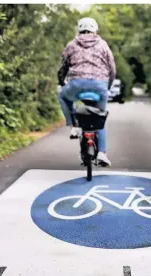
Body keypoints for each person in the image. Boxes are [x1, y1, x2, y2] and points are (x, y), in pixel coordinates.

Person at [57, 17, 116, 167]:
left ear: (79, 29)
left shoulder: (71, 45)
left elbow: (63, 66)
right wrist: (107, 86)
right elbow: (112, 69)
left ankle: (74, 126)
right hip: (99, 86)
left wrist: (62, 82)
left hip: (77, 85)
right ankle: (102, 152)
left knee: (63, 97)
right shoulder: (103, 45)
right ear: (95, 30)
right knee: (100, 118)